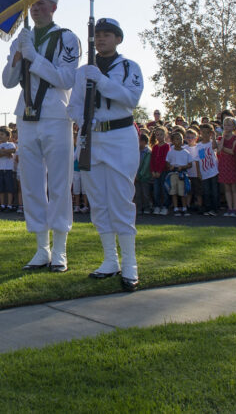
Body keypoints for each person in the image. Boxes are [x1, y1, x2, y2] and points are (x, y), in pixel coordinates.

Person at [1, 0, 81, 272]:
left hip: (56, 114)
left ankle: (60, 249)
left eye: (41, 4)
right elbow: (8, 82)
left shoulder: (67, 38)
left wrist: (35, 58)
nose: (35, 8)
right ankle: (41, 248)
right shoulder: (24, 37)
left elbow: (66, 78)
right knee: (32, 184)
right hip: (26, 115)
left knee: (59, 183)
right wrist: (18, 56)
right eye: (32, 4)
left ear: (54, 7)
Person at [68, 17, 144, 290]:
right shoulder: (82, 71)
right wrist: (85, 120)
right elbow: (73, 106)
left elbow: (131, 99)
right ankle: (110, 260)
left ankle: (131, 265)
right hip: (92, 138)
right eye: (98, 34)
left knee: (122, 201)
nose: (101, 39)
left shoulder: (128, 67)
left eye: (108, 34)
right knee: (98, 202)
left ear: (118, 39)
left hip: (120, 137)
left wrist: (100, 81)